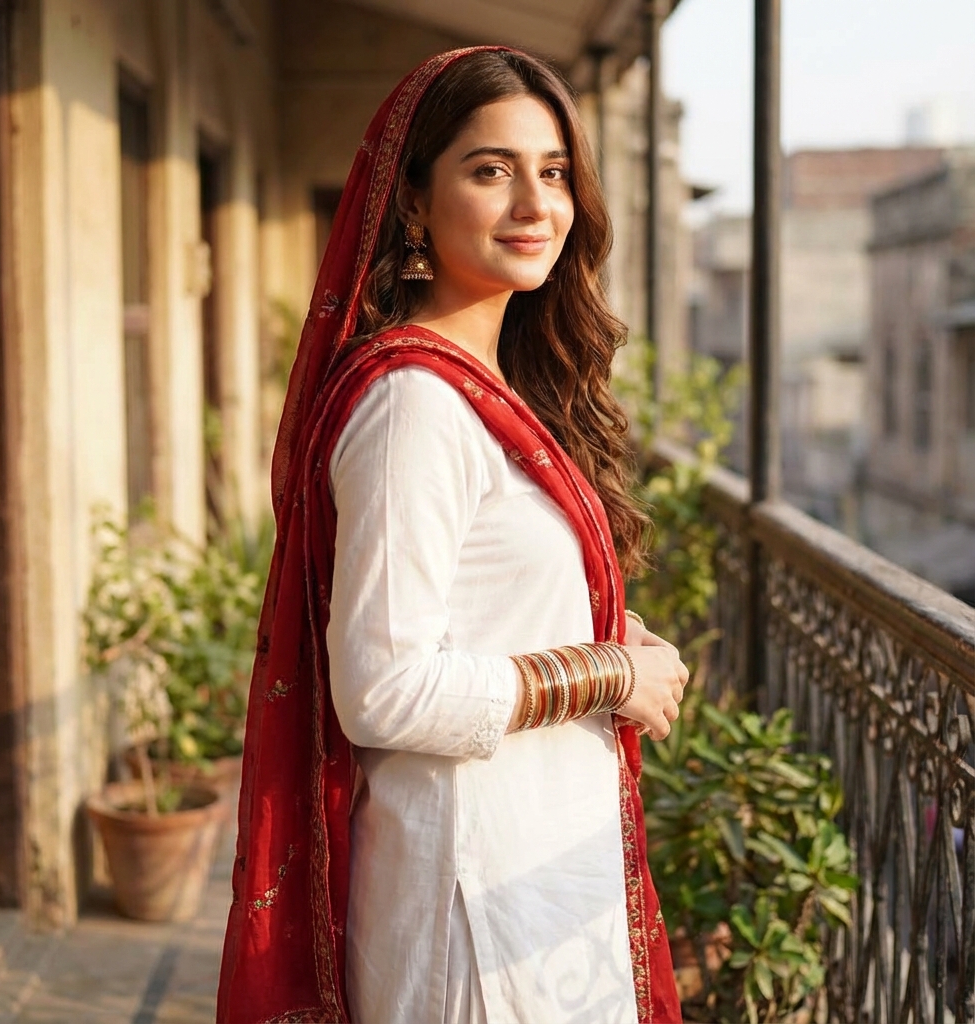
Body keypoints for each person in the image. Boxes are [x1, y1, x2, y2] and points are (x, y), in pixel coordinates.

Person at [217, 46, 688, 1024]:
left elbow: (477, 598)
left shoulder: (492, 389)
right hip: (471, 905)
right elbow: (384, 687)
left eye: (553, 172)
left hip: (535, 865)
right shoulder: (413, 407)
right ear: (414, 203)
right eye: (490, 169)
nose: (533, 203)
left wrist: (594, 622)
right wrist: (605, 670)